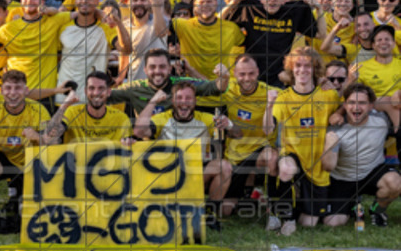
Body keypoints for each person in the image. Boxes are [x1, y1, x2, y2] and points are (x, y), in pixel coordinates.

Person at [0, 69, 68, 230]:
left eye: (17, 88)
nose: (13, 93)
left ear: (25, 91)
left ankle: (19, 196)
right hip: (6, 161)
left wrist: (37, 137)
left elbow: (55, 143)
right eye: (8, 88)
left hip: (32, 164)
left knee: (27, 218)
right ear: (2, 91)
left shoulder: (38, 110)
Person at [133, 81, 232, 230]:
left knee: (224, 166)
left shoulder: (205, 119)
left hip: (195, 177)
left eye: (188, 98)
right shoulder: (163, 118)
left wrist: (229, 124)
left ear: (195, 101)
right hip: (167, 179)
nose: (184, 103)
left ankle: (209, 214)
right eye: (179, 98)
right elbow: (139, 132)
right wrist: (153, 101)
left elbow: (238, 134)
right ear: (173, 101)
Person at [270, 47, 341, 236]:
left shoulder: (328, 95)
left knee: (309, 223)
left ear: (315, 69)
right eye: (298, 65)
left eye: (307, 66)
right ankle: (286, 218)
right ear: (291, 69)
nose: (302, 70)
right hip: (292, 152)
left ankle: (292, 206)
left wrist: (339, 113)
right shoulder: (283, 98)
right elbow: (270, 127)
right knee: (286, 168)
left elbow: (344, 110)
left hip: (317, 164)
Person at [321, 83, 401, 227]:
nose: (356, 108)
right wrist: (330, 145)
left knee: (396, 183)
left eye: (362, 103)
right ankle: (353, 204)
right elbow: (328, 166)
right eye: (351, 102)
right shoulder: (334, 128)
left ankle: (377, 210)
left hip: (372, 172)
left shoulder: (382, 120)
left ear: (371, 106)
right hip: (343, 179)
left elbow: (391, 102)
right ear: (345, 105)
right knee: (332, 223)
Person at [224, 0, 319, 87]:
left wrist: (319, 8)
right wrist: (233, 3)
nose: (272, 0)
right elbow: (219, 23)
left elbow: (320, 35)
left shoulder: (294, 11)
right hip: (251, 75)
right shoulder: (250, 8)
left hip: (278, 78)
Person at [220, 55, 279, 223]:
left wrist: (325, 83)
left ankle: (273, 208)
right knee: (225, 211)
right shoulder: (227, 89)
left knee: (272, 156)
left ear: (258, 72)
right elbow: (203, 86)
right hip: (234, 156)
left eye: (251, 74)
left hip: (260, 149)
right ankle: (248, 194)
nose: (247, 78)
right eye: (242, 74)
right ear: (235, 74)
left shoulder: (270, 92)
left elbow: (301, 95)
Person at [0, 0, 71, 93]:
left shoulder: (54, 20)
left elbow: (82, 14)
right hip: (16, 92)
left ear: (42, 1)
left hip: (45, 93)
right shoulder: (8, 28)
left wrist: (99, 13)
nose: (29, 1)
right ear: (21, 0)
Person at [56, 0, 131, 101]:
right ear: (75, 1)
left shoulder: (106, 27)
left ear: (97, 1)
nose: (84, 1)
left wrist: (118, 22)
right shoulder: (63, 27)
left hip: (94, 97)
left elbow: (126, 49)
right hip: (65, 97)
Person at [109, 47, 229, 117]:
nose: (157, 71)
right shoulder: (135, 88)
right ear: (145, 70)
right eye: (152, 67)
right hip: (147, 144)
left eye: (162, 67)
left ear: (169, 68)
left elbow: (216, 88)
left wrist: (224, 78)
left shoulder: (182, 84)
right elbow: (106, 96)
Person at [170, 0, 246, 80]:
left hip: (222, 88)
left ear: (216, 3)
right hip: (192, 87)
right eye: (201, 2)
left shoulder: (231, 29)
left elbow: (248, 45)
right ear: (195, 5)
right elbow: (158, 29)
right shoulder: (183, 25)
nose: (205, 5)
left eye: (209, 1)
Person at [114, 0, 168, 84]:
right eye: (135, 0)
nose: (139, 3)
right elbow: (124, 54)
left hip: (159, 86)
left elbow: (161, 31)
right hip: (135, 84)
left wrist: (155, 2)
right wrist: (120, 77)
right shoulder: (125, 25)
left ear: (149, 2)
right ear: (128, 3)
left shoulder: (159, 20)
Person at [61, 71, 132, 144]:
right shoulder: (72, 112)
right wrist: (63, 106)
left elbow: (130, 148)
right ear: (85, 91)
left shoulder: (121, 118)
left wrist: (129, 142)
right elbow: (49, 138)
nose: (96, 93)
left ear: (109, 92)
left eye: (101, 88)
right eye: (91, 88)